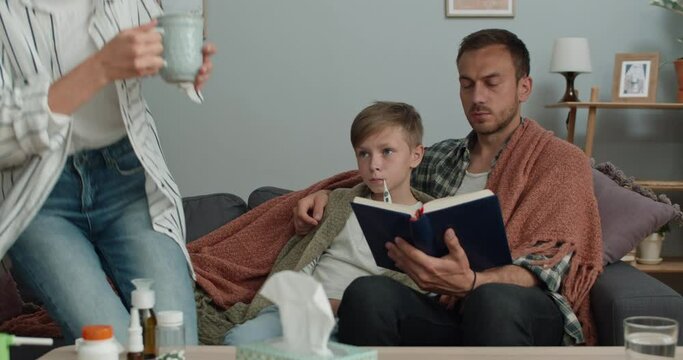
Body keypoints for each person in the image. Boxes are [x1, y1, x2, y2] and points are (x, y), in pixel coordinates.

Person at [293, 29, 603, 346]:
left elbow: (547, 266)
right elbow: (382, 177)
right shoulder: (440, 158)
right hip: (445, 307)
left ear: (524, 87)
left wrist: (472, 281)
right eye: (466, 84)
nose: (477, 97)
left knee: (491, 299)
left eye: (491, 83)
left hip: (521, 308)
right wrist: (326, 195)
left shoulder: (560, 162)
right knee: (366, 291)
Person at [0, 0, 216, 345]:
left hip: (130, 178)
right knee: (109, 349)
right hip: (39, 197)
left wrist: (180, 57)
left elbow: (164, 29)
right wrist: (99, 67)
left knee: (174, 345)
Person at [223, 101, 430, 345]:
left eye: (387, 152)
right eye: (364, 153)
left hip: (359, 319)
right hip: (301, 311)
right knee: (238, 340)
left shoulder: (427, 221)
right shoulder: (338, 203)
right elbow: (304, 253)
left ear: (416, 155)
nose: (374, 164)